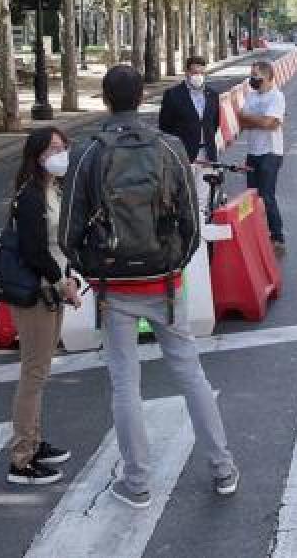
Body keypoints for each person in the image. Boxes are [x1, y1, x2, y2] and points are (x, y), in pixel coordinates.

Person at [61, 65, 238, 507]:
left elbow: (69, 232)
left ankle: (137, 482)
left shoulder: (88, 153)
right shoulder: (170, 146)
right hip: (165, 281)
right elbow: (191, 224)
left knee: (125, 383)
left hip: (114, 286)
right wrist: (174, 263)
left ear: (105, 99)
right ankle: (223, 468)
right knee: (191, 373)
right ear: (143, 98)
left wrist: (94, 269)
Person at [5, 126, 81, 486]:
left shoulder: (53, 189)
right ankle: (21, 460)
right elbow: (35, 251)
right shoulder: (31, 196)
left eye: (63, 146)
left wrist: (70, 278)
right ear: (38, 156)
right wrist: (62, 282)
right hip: (36, 293)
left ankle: (34, 442)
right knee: (33, 374)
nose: (61, 152)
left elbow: (60, 243)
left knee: (40, 371)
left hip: (52, 289)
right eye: (53, 148)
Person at [237, 60, 287, 256]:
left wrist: (252, 119)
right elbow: (242, 121)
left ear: (267, 77)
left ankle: (277, 237)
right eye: (251, 76)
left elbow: (270, 124)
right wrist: (257, 121)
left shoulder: (277, 97)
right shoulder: (251, 95)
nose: (252, 80)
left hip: (271, 152)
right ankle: (255, 235)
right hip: (253, 152)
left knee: (267, 196)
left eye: (256, 76)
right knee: (251, 196)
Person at [160, 55, 221, 213]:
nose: (198, 77)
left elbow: (214, 123)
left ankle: (200, 234)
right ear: (186, 72)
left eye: (202, 73)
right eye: (195, 73)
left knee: (202, 200)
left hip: (206, 154)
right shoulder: (173, 95)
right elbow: (165, 127)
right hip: (183, 155)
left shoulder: (212, 95)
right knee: (183, 199)